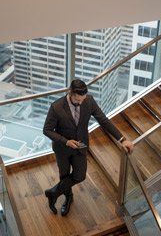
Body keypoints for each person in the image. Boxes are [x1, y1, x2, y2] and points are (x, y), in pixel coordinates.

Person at [42, 79, 134, 216]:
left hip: (81, 145)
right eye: (77, 100)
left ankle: (53, 192)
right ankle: (68, 198)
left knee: (80, 176)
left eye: (82, 99)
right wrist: (66, 141)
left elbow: (103, 120)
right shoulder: (56, 107)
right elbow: (47, 130)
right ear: (70, 93)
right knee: (64, 175)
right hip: (63, 148)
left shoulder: (89, 101)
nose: (80, 103)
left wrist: (122, 139)